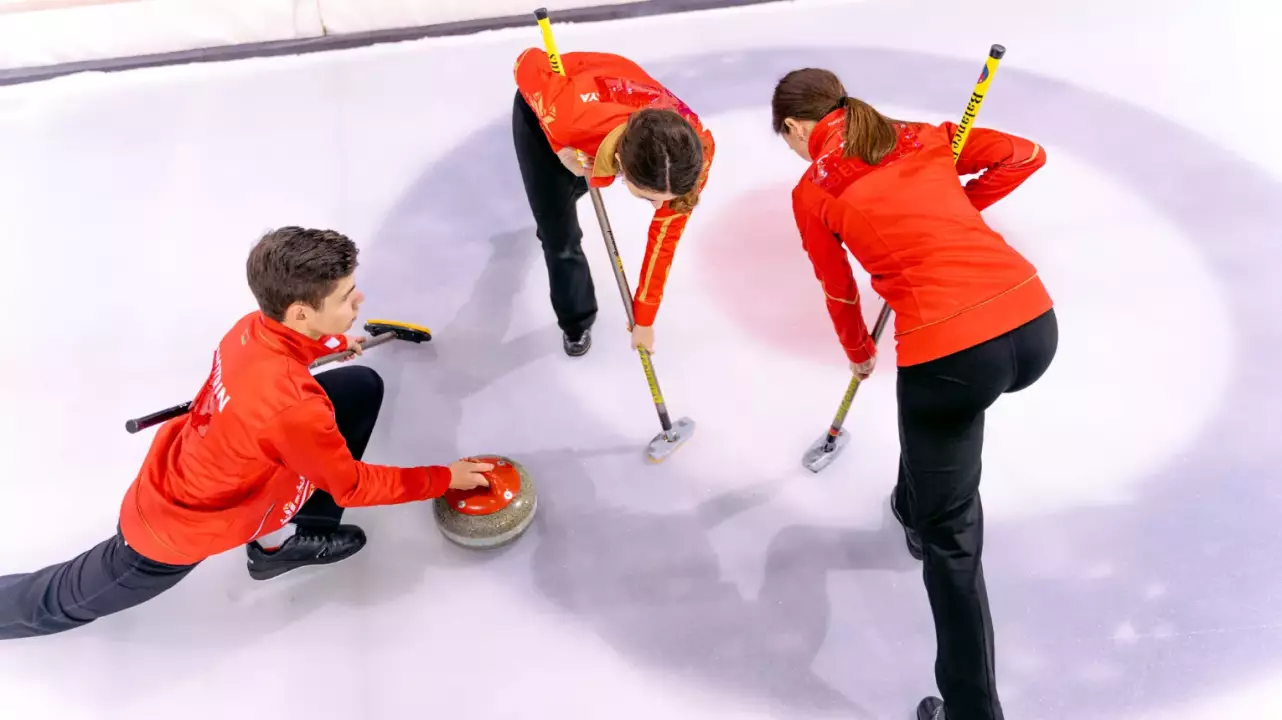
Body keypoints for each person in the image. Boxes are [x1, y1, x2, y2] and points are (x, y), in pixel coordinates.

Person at [0, 227, 493, 640]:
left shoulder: (251, 328)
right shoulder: (293, 410)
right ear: (300, 312)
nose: (359, 296)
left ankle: (304, 536)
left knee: (358, 386)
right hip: (173, 526)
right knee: (56, 599)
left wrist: (338, 341)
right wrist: (443, 477)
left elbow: (286, 356)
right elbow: (354, 485)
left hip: (237, 454)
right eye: (346, 295)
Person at [772, 69, 1058, 720]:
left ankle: (971, 714)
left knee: (953, 541)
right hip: (1035, 324)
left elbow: (839, 287)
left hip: (955, 356)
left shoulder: (812, 189)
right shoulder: (921, 136)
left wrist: (857, 349)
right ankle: (912, 503)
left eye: (785, 139)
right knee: (936, 438)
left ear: (794, 127)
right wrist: (957, 212)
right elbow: (1026, 155)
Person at [512, 47, 715, 357]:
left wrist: (644, 318)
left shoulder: (694, 151)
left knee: (581, 186)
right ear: (621, 161)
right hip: (551, 110)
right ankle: (576, 320)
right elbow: (527, 60)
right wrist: (558, 144)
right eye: (649, 198)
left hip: (605, 101)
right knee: (558, 234)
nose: (659, 207)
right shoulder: (567, 120)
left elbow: (665, 237)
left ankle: (576, 184)